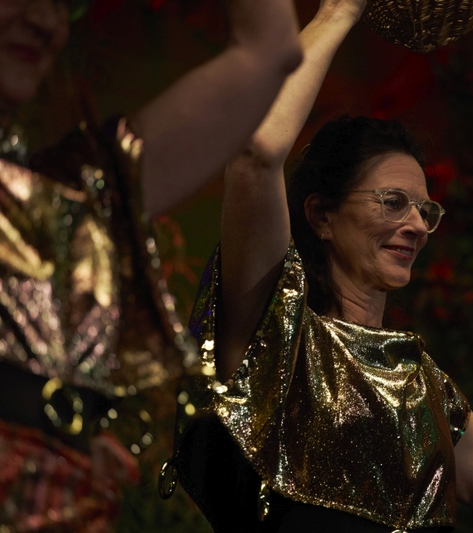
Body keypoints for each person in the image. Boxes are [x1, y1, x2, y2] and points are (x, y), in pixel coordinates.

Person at [165, 0, 473, 531]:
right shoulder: (273, 333)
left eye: (426, 210)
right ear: (321, 215)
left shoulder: (417, 377)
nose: (418, 226)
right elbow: (256, 151)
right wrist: (339, 12)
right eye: (393, 203)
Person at [0, 0, 303, 530]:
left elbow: (269, 49)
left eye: (63, 4)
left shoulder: (65, 198)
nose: (45, 21)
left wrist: (60, 449)